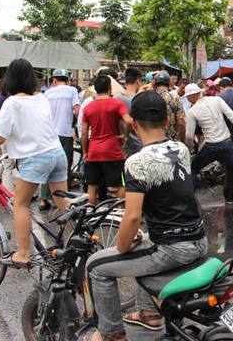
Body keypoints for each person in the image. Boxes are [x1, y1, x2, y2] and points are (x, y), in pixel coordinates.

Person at [85, 91, 208, 341]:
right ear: (166, 121)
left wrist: (123, 245)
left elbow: (131, 217)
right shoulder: (182, 149)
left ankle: (111, 334)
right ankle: (149, 314)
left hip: (173, 248)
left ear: (133, 123)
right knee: (145, 240)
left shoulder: (136, 162)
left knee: (96, 265)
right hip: (199, 240)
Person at [0, 59, 69, 267]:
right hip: (57, 154)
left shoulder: (12, 102)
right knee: (64, 205)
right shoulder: (41, 98)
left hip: (37, 157)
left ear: (9, 79)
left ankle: (23, 253)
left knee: (19, 204)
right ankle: (84, 238)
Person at [81, 75, 132, 204]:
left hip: (94, 151)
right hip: (112, 151)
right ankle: (121, 213)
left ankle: (90, 214)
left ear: (95, 89)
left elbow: (84, 133)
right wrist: (125, 136)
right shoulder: (117, 103)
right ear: (110, 87)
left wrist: (85, 152)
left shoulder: (88, 107)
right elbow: (128, 121)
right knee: (120, 184)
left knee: (92, 186)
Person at [38, 69, 81, 209]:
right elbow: (77, 111)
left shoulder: (47, 93)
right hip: (65, 134)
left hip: (48, 135)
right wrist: (78, 129)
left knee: (47, 166)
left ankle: (44, 200)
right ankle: (62, 200)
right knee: (64, 166)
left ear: (54, 80)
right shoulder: (72, 91)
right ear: (68, 80)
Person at [114, 67, 144, 159]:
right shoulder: (140, 99)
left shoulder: (115, 98)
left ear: (125, 81)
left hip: (120, 145)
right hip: (138, 145)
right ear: (138, 81)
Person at [153, 71, 186, 143]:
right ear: (168, 84)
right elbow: (181, 123)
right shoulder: (175, 99)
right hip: (173, 141)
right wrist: (184, 139)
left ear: (155, 84)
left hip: (154, 140)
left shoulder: (150, 98)